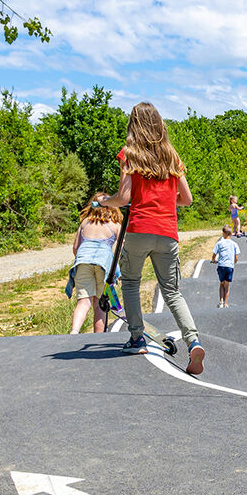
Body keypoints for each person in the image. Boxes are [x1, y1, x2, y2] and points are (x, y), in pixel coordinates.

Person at [96, 102, 205, 376]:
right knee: (172, 291)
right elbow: (187, 200)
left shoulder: (129, 154)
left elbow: (124, 198)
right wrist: (165, 202)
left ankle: (136, 338)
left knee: (131, 282)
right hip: (167, 232)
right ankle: (193, 342)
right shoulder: (172, 156)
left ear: (134, 124)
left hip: (139, 228)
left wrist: (104, 201)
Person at [67, 192, 122, 334]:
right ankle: (98, 336)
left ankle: (74, 331)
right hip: (103, 265)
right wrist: (117, 271)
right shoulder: (115, 224)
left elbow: (75, 248)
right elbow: (120, 252)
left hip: (83, 262)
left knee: (83, 301)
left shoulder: (85, 223)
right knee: (100, 303)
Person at [211, 225, 240, 308]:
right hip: (230, 266)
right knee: (227, 285)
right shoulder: (234, 244)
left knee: (221, 284)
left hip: (221, 266)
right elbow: (236, 257)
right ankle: (225, 303)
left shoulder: (219, 243)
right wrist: (234, 262)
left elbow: (214, 254)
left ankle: (220, 302)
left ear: (223, 233)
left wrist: (213, 260)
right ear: (231, 234)